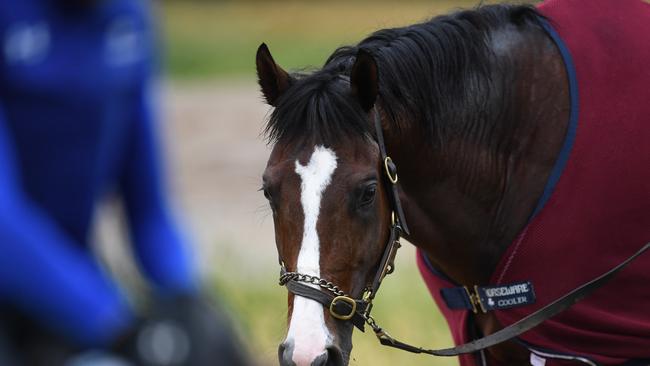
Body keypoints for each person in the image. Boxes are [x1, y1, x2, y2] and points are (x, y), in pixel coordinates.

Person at [0, 0, 248, 364]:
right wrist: (117, 322)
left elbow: (148, 209)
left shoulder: (128, 18)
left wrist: (189, 298)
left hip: (65, 286)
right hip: (35, 283)